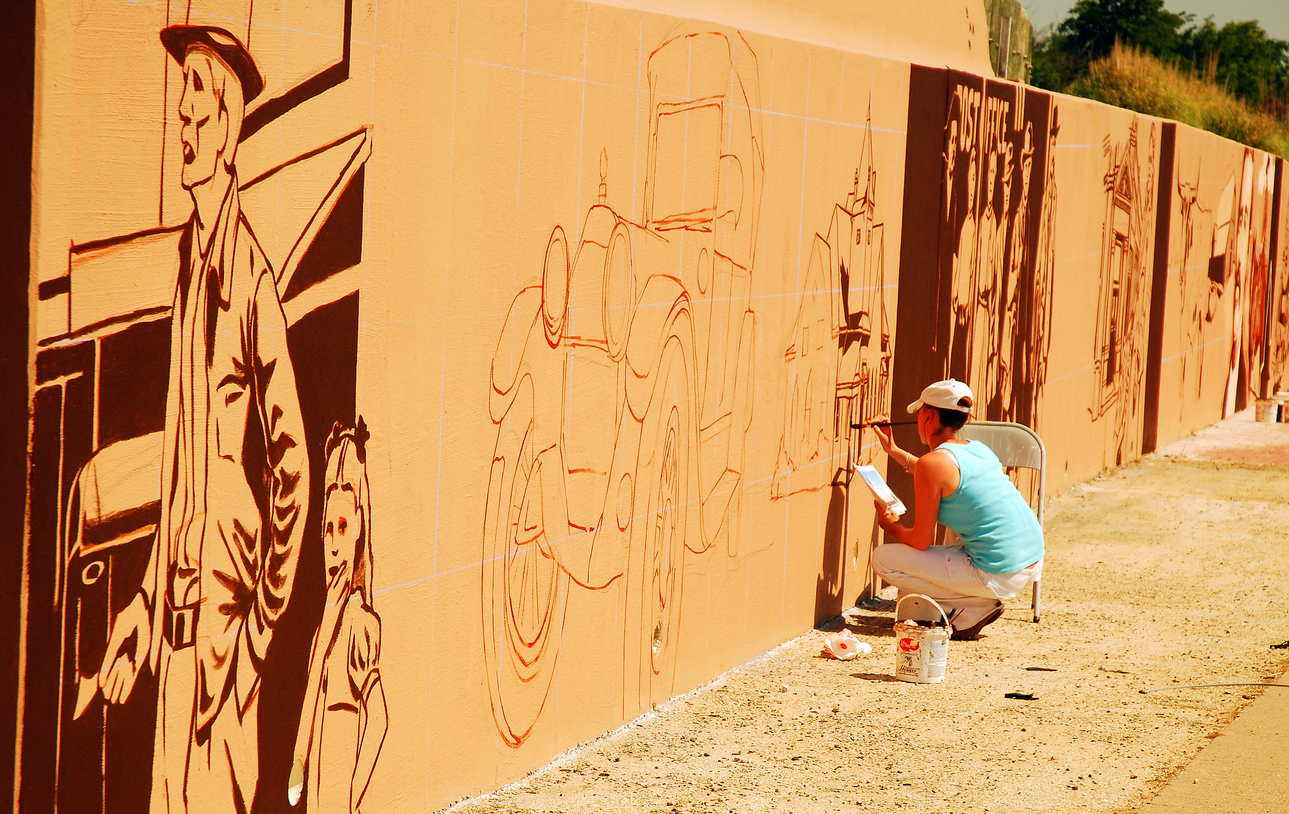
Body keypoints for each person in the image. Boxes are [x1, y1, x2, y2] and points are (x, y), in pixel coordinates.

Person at [97, 25, 309, 814]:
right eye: (180, 105)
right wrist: (146, 610)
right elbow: (184, 471)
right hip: (180, 648)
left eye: (197, 101)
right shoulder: (189, 266)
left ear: (228, 126)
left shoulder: (247, 276)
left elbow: (291, 460)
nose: (181, 121)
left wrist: (259, 628)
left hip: (225, 656)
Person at [871, 379, 1043, 640]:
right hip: (1030, 558)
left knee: (883, 559)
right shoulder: (977, 449)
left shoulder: (934, 463)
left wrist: (892, 526)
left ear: (929, 416)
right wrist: (892, 450)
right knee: (953, 530)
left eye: (920, 413)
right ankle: (971, 602)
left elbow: (920, 540)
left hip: (1000, 571)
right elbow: (940, 475)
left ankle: (969, 608)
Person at [291, 420, 387, 814]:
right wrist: (298, 764)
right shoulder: (325, 626)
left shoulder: (358, 621)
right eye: (327, 529)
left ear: (360, 529)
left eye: (343, 527)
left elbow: (378, 720)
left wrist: (350, 799)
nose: (332, 543)